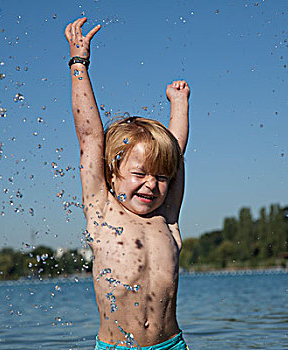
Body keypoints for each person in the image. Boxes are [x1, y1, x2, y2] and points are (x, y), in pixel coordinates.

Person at [65, 17, 191, 350]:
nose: (151, 184)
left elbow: (174, 152)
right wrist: (79, 63)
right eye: (139, 174)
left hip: (172, 345)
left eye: (160, 177)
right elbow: (91, 136)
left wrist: (179, 105)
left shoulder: (167, 217)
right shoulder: (103, 211)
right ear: (111, 173)